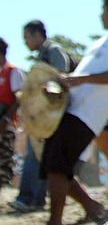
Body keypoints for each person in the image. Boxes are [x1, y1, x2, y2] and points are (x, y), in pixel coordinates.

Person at [41, 0, 108, 225]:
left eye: (104, 10)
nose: (101, 15)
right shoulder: (106, 40)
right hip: (75, 108)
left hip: (88, 113)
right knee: (56, 165)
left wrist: (81, 79)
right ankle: (92, 207)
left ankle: (55, 222)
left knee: (57, 166)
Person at [10, 20, 72, 212]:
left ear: (38, 35)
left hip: (53, 115)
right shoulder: (43, 54)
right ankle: (34, 199)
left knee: (37, 156)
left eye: (27, 37)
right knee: (38, 156)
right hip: (46, 115)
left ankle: (29, 198)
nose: (26, 42)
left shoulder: (53, 51)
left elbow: (61, 78)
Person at [0, 38, 25, 194]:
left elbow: (19, 99)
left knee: (4, 161)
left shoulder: (13, 71)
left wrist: (6, 119)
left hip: (6, 125)